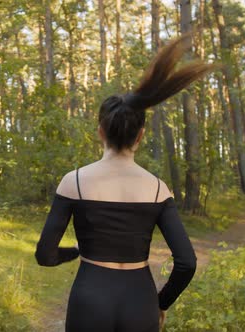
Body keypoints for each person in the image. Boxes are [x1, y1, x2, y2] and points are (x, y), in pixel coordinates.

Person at [34, 33, 216, 332]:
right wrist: (161, 303)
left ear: (100, 132)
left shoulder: (74, 182)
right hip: (139, 303)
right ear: (140, 135)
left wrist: (77, 251)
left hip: (89, 301)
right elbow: (187, 263)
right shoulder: (158, 188)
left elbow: (45, 256)